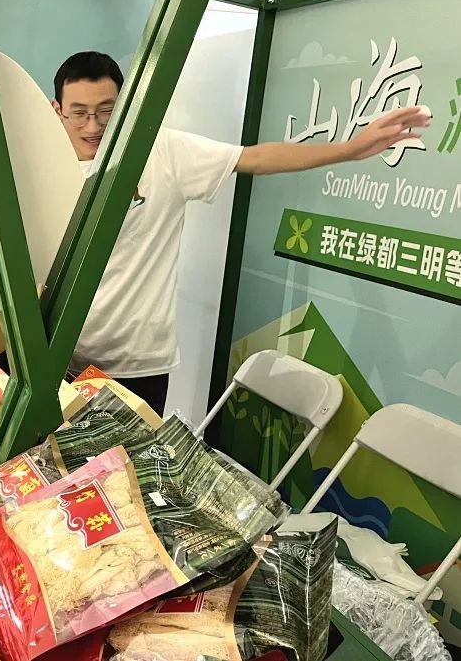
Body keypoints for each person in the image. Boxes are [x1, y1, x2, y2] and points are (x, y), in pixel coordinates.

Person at [52, 51, 430, 414]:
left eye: (106, 111)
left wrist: (348, 150)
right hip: (59, 358)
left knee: (126, 460)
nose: (93, 126)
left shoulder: (161, 150)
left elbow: (255, 157)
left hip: (137, 364)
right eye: (79, 114)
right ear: (57, 110)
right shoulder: (42, 163)